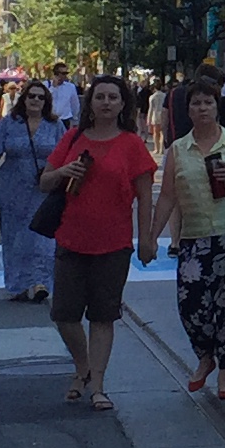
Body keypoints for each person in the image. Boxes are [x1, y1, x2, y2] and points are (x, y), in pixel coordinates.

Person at [43, 77, 158, 410]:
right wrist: (64, 171)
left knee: (103, 315)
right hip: (72, 237)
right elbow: (44, 181)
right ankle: (83, 366)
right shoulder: (73, 137)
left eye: (113, 97)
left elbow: (145, 196)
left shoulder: (131, 144)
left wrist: (146, 238)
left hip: (114, 242)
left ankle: (98, 384)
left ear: (123, 105)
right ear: (89, 103)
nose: (106, 102)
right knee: (64, 314)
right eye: (100, 97)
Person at [152, 81, 225, 400]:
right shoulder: (178, 149)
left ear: (217, 107)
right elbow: (167, 197)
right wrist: (150, 238)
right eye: (197, 103)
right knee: (191, 307)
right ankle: (205, 356)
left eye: (208, 103)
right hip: (194, 240)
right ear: (188, 109)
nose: (202, 108)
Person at [0, 79, 63, 307]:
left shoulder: (55, 125)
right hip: (12, 187)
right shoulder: (10, 123)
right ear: (24, 99)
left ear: (46, 101)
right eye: (32, 96)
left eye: (41, 97)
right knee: (15, 237)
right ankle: (18, 285)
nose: (36, 100)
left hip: (44, 187)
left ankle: (41, 283)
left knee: (43, 236)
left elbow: (66, 153)